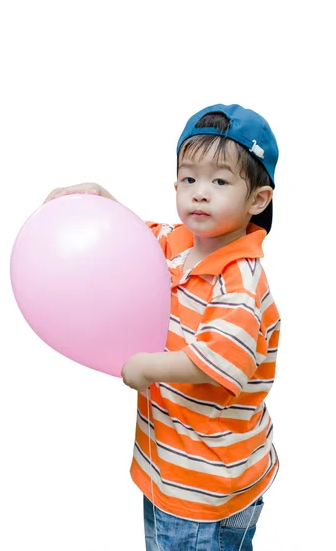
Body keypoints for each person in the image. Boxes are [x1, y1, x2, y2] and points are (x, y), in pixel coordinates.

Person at [45, 104, 281, 551]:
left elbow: (219, 359)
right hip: (174, 465)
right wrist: (101, 198)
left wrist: (147, 367)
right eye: (189, 179)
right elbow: (132, 237)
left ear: (257, 200)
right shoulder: (177, 246)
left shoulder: (239, 281)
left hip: (205, 482)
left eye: (220, 181)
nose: (200, 193)